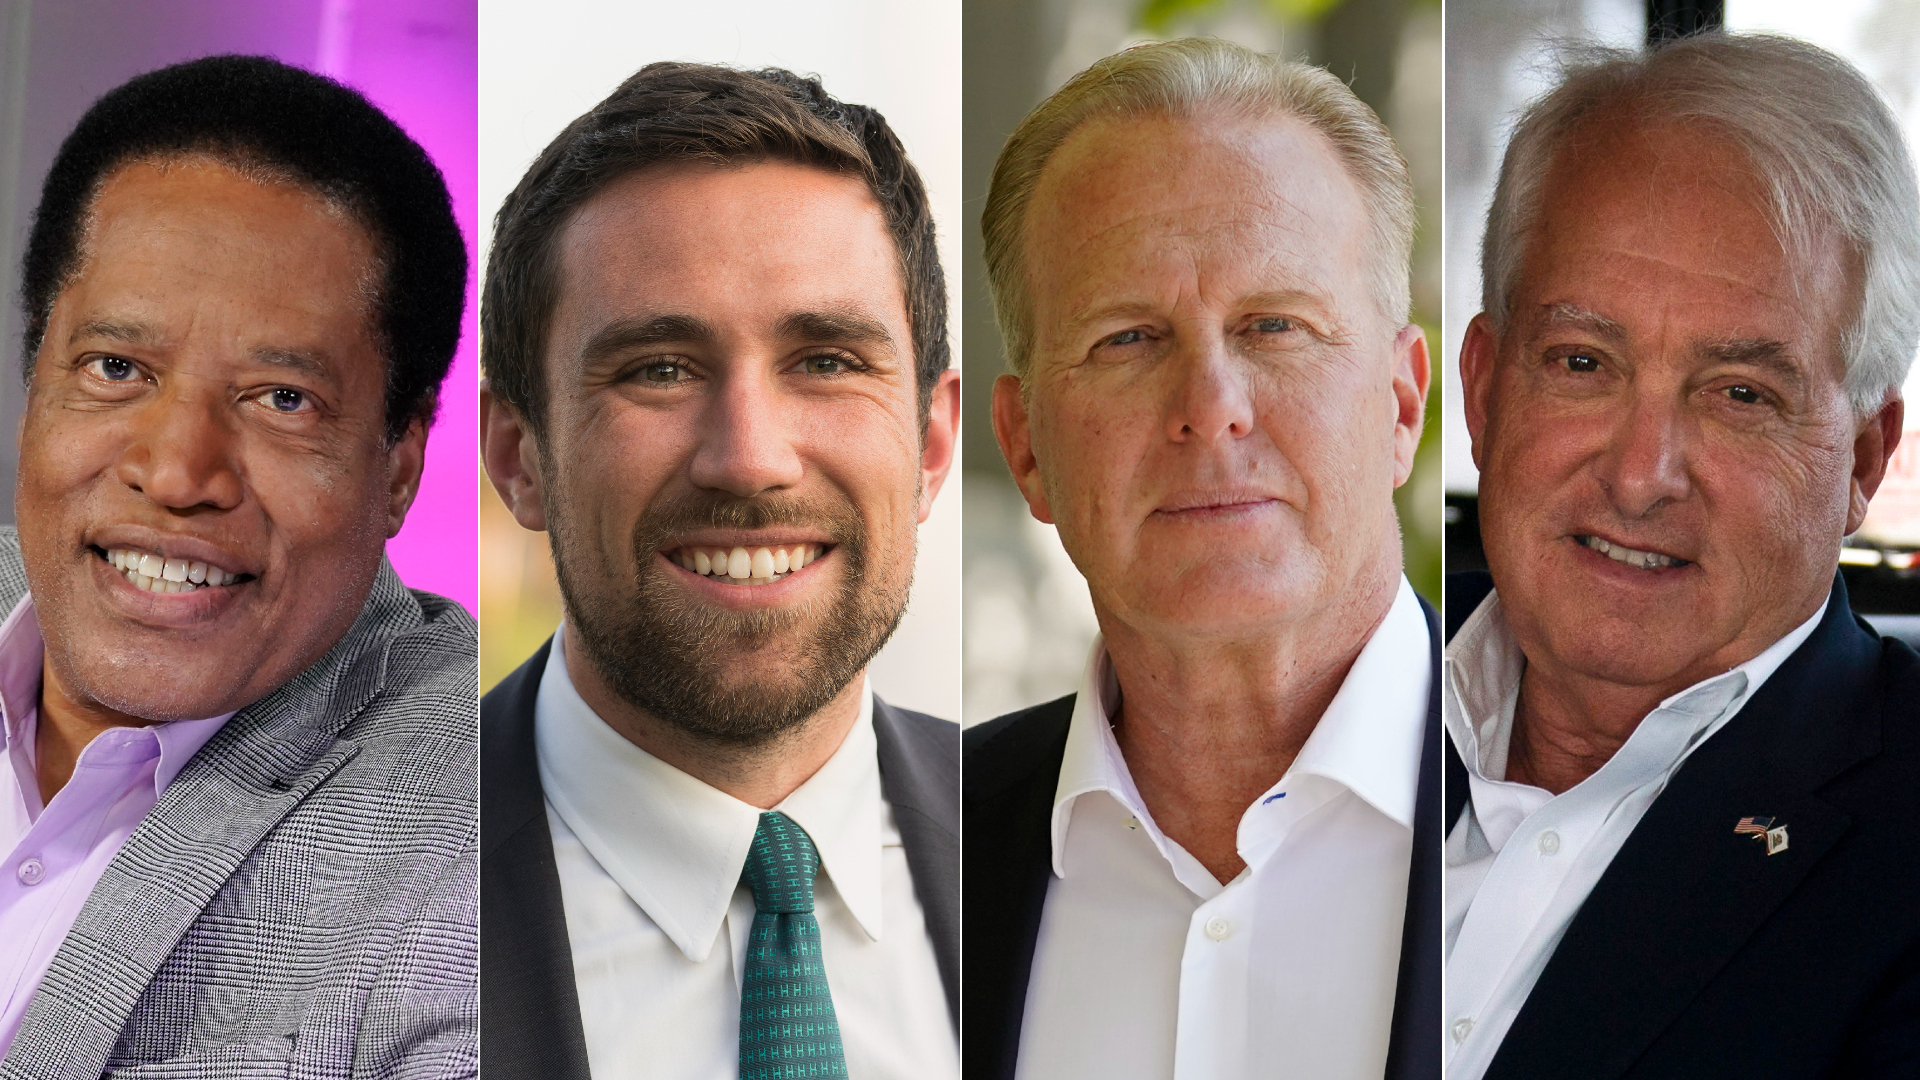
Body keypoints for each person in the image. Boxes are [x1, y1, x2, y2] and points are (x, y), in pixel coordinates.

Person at [1447, 32, 1920, 1079]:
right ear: (1482, 392)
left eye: (1741, 394)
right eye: (1582, 362)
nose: (1640, 474)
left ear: (1864, 460)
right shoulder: (1314, 718)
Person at [478, 63, 962, 1080]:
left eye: (826, 360)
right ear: (520, 458)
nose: (748, 457)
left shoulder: (1044, 850)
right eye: (659, 369)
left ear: (930, 442)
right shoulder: (359, 892)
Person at [967, 37, 1439, 1080]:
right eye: (1128, 339)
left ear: (1401, 407)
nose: (1211, 410)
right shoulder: (912, 855)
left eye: (1276, 325)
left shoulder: (1584, 813)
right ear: (1027, 446)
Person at [0, 55, 476, 1077]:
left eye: (280, 399)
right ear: (36, 376)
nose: (177, 473)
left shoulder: (484, 819)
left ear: (399, 464)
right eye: (116, 369)